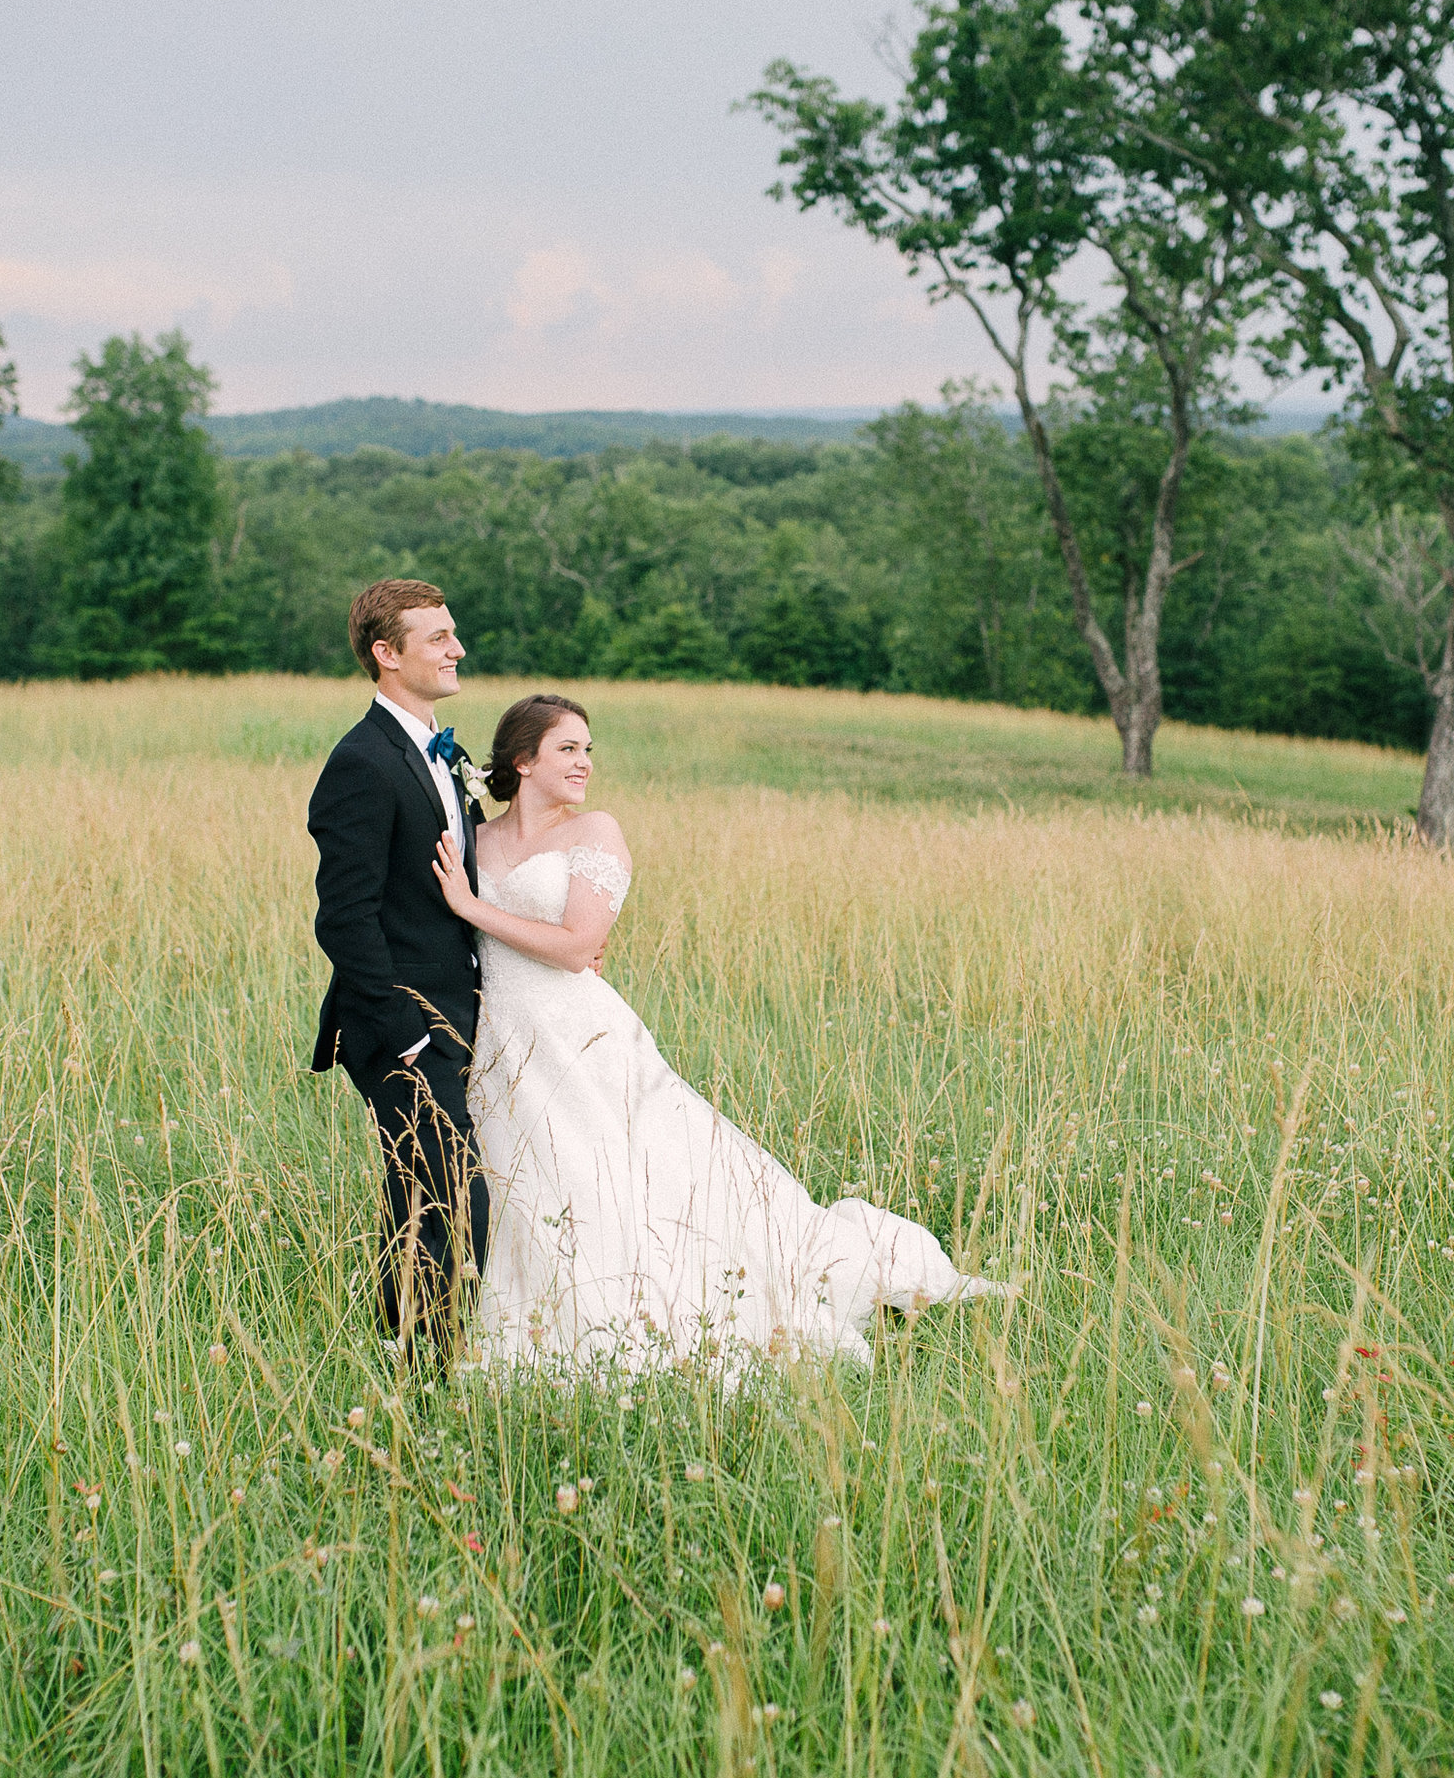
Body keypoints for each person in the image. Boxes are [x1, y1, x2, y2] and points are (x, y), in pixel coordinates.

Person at [429, 693, 1002, 1375]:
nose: (585, 762)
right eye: (568, 749)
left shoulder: (597, 831)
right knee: (532, 1180)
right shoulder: (479, 838)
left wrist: (471, 906)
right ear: (522, 760)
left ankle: (650, 1306)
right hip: (503, 1041)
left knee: (626, 1175)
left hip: (580, 1033)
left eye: (588, 749)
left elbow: (581, 944)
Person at [307, 579, 494, 1351]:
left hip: (463, 1011)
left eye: (453, 631)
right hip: (400, 1025)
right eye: (437, 637)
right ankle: (427, 1365)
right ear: (386, 655)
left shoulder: (439, 749)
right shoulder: (362, 762)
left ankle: (406, 1349)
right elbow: (343, 916)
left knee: (416, 1191)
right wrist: (405, 1033)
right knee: (460, 1194)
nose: (456, 648)